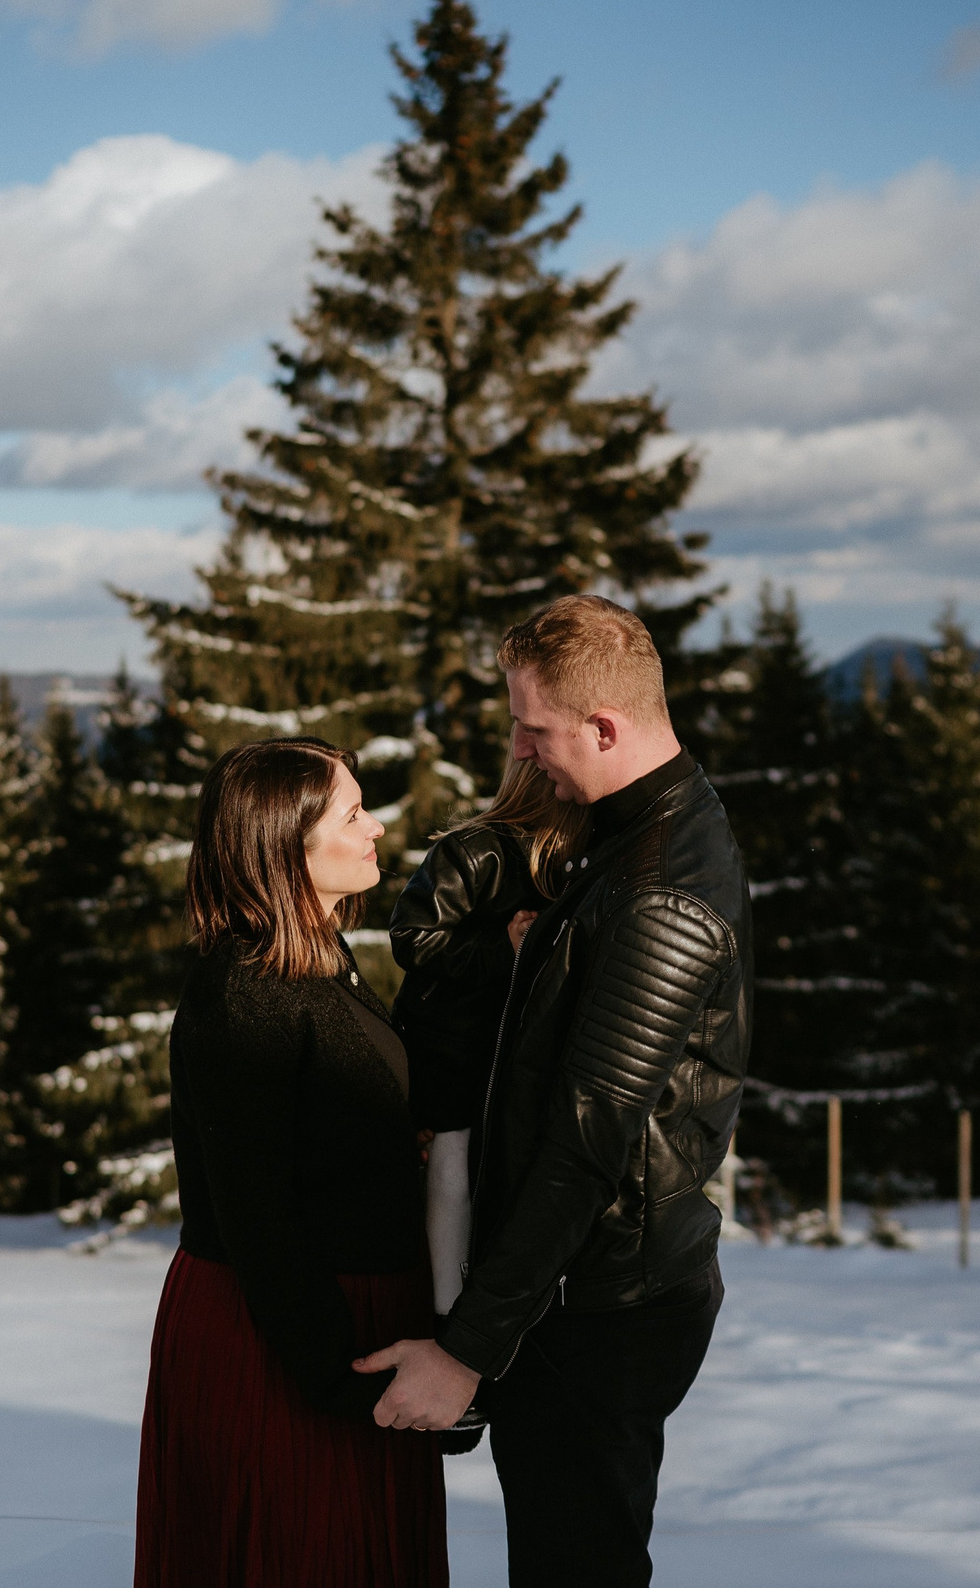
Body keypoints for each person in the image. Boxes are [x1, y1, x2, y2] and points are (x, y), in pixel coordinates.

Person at [357, 595, 752, 1587]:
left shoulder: (659, 889)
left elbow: (586, 1141)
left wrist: (466, 1351)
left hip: (600, 1312)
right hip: (572, 1297)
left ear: (604, 727)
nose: (523, 751)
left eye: (534, 727)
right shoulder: (621, 838)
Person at [134, 737, 446, 1588]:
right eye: (351, 812)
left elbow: (325, 1121)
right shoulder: (247, 990)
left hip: (335, 1328)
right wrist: (338, 1380)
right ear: (285, 846)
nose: (377, 826)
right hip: (280, 1339)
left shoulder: (317, 960)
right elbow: (257, 1212)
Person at [390, 758, 590, 1390]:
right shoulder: (474, 850)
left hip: (512, 1059)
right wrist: (501, 948)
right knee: (450, 1174)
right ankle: (445, 1322)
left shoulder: (579, 862)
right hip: (450, 1049)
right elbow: (411, 936)